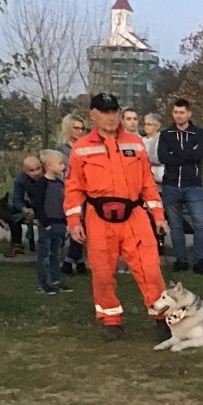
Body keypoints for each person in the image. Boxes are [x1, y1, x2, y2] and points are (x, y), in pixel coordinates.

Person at [64, 93, 169, 342]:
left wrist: (158, 215)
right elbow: (73, 188)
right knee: (101, 273)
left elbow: (147, 182)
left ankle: (162, 318)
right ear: (93, 115)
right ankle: (111, 320)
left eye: (114, 111)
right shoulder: (81, 148)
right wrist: (74, 221)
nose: (111, 117)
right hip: (98, 218)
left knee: (151, 270)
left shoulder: (135, 142)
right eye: (104, 111)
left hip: (134, 215)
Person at [158, 98, 203, 275]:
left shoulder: (199, 133)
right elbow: (164, 157)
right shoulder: (166, 134)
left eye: (181, 112)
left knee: (201, 224)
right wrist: (186, 155)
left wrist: (177, 153)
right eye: (175, 112)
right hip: (171, 185)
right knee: (176, 225)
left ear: (188, 113)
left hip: (193, 186)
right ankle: (181, 260)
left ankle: (199, 261)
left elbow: (197, 155)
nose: (178, 115)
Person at [32, 150, 72, 295]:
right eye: (60, 163)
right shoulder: (42, 184)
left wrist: (66, 223)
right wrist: (45, 223)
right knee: (44, 255)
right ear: (49, 165)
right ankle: (43, 284)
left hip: (60, 224)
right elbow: (38, 204)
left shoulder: (61, 183)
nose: (63, 166)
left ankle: (56, 281)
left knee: (56, 254)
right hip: (47, 225)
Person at [56, 114, 88, 275]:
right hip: (68, 191)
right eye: (76, 128)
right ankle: (69, 261)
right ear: (68, 128)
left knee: (83, 227)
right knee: (75, 226)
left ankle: (77, 261)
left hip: (86, 192)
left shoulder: (85, 147)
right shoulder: (61, 151)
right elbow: (61, 173)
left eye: (82, 128)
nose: (80, 131)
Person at [8, 156, 41, 257]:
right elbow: (17, 199)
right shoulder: (20, 179)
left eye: (38, 168)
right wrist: (25, 209)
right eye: (32, 170)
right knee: (12, 211)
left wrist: (38, 211)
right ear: (25, 171)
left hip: (47, 205)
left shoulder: (49, 175)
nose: (36, 172)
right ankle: (17, 244)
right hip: (32, 205)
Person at [142, 113, 165, 187]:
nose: (146, 127)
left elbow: (161, 159)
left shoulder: (162, 140)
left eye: (149, 124)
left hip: (159, 179)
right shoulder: (141, 140)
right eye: (145, 124)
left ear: (158, 126)